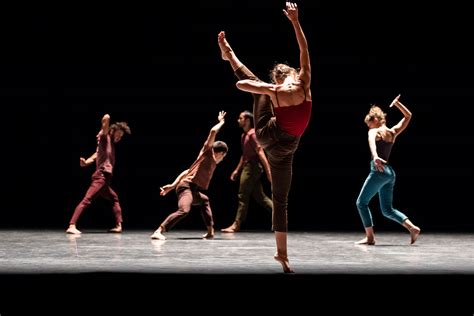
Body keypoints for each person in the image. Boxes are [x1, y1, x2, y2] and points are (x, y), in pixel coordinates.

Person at [218, 2, 312, 273]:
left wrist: (295, 21)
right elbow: (241, 85)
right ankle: (231, 56)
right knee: (258, 91)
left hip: (287, 149)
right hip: (268, 133)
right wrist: (268, 88)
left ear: (297, 74)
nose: (289, 81)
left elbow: (304, 50)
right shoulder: (276, 91)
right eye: (283, 79)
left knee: (280, 199)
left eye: (290, 77)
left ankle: (282, 254)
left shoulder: (304, 81)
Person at [150, 111, 228, 240]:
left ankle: (210, 231)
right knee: (184, 210)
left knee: (204, 201)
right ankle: (159, 231)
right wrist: (221, 122)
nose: (223, 159)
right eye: (224, 156)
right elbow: (213, 132)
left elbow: (187, 171)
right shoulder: (207, 153)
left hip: (193, 189)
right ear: (221, 153)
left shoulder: (211, 163)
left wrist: (171, 186)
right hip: (186, 187)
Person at [355, 95, 421, 245]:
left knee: (361, 203)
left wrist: (376, 156)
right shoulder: (392, 132)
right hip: (390, 174)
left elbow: (371, 142)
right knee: (387, 209)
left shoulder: (374, 131)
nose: (369, 127)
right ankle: (412, 228)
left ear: (376, 120)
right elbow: (408, 116)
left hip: (378, 171)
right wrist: (397, 104)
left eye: (369, 124)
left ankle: (370, 237)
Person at [66, 114, 131, 234]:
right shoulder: (104, 138)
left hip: (106, 180)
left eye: (121, 137)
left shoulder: (108, 145)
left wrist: (85, 162)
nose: (119, 138)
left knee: (114, 198)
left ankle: (118, 226)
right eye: (118, 134)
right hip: (101, 177)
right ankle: (71, 225)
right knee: (87, 200)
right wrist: (105, 124)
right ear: (112, 131)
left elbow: (95, 156)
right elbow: (106, 118)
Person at [221, 110, 273, 233]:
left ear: (248, 120)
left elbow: (260, 152)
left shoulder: (252, 134)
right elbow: (244, 155)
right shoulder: (244, 136)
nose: (238, 120)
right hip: (247, 167)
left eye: (240, 118)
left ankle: (236, 225)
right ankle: (280, 216)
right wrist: (237, 170)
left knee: (242, 195)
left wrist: (268, 171)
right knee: (261, 197)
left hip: (252, 168)